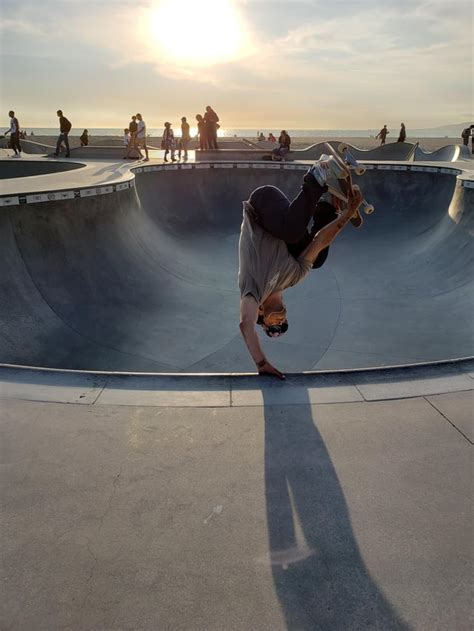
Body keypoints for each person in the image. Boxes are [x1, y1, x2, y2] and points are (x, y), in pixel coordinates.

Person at [238, 156, 363, 379]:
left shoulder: (252, 291)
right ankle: (328, 204)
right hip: (283, 229)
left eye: (273, 327)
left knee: (292, 231)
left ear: (260, 312)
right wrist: (346, 214)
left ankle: (317, 173)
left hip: (262, 205)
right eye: (283, 325)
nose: (281, 323)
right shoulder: (295, 276)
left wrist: (261, 363)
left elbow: (245, 325)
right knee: (317, 260)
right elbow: (320, 242)